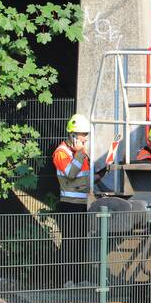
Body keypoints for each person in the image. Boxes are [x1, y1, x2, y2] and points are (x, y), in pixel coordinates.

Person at [52, 114, 104, 286]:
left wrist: (101, 174)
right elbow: (71, 173)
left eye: (86, 134)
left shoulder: (78, 153)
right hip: (69, 205)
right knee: (70, 243)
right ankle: (66, 280)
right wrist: (80, 154)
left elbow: (83, 178)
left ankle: (79, 279)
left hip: (82, 204)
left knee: (80, 243)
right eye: (83, 135)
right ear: (73, 135)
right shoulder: (61, 153)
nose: (86, 138)